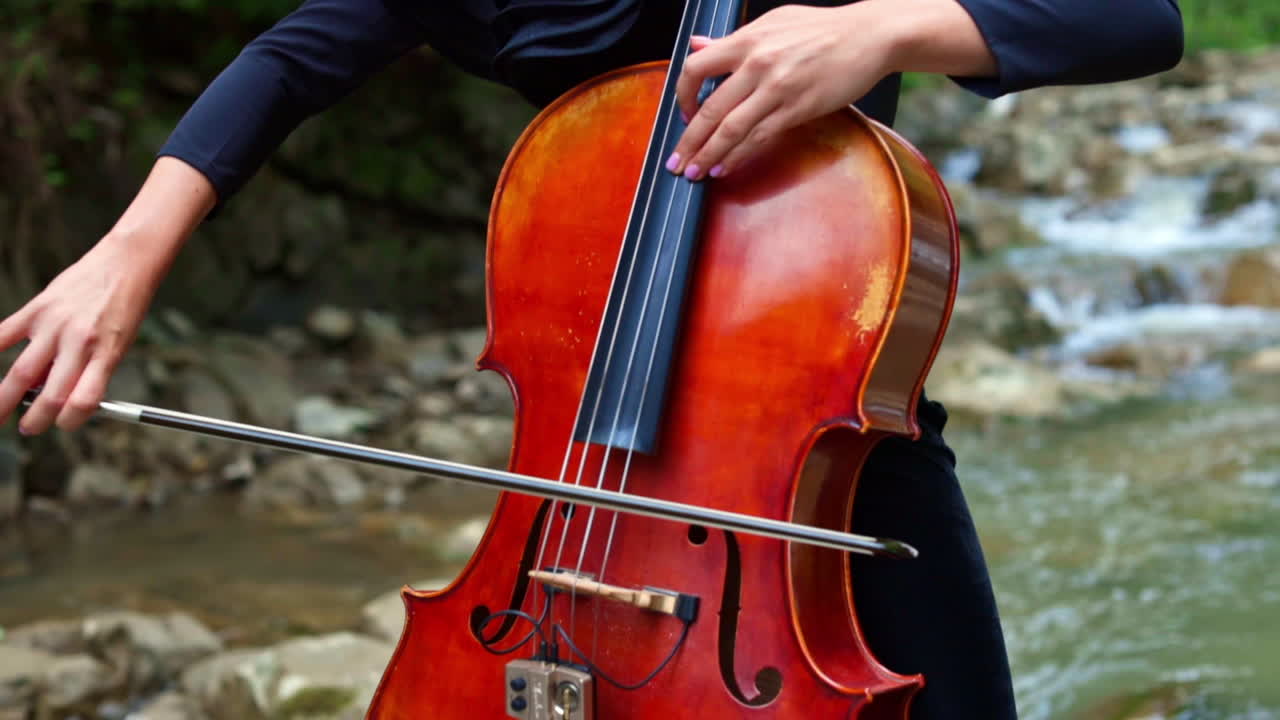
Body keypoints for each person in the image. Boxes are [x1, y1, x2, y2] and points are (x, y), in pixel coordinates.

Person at [0, 1, 1183, 717]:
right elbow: (295, 56)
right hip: (578, 440)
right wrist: (122, 258)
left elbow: (1138, 18)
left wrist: (886, 26)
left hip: (814, 462)